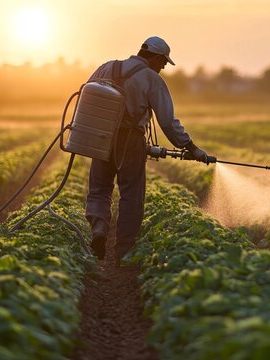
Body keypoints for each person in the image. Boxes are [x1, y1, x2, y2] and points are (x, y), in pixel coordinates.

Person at [85, 36, 208, 263]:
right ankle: (124, 252)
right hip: (130, 139)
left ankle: (99, 229)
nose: (163, 67)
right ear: (155, 57)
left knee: (99, 189)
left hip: (101, 136)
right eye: (163, 62)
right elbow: (168, 122)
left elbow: (86, 95)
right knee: (131, 195)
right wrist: (190, 146)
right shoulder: (151, 79)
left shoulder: (107, 67)